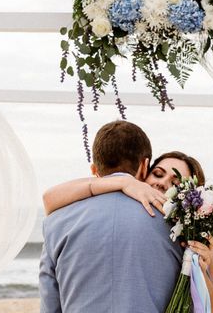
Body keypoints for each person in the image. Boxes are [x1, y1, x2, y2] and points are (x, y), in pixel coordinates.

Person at [42, 149, 213, 312]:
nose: (162, 183)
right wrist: (125, 182)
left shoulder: (197, 244)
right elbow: (50, 197)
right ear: (143, 174)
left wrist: (199, 270)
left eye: (175, 183)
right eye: (158, 174)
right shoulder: (133, 218)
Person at [39, 120, 182, 312]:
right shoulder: (175, 223)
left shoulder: (56, 223)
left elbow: (50, 304)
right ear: (144, 166)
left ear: (94, 170)